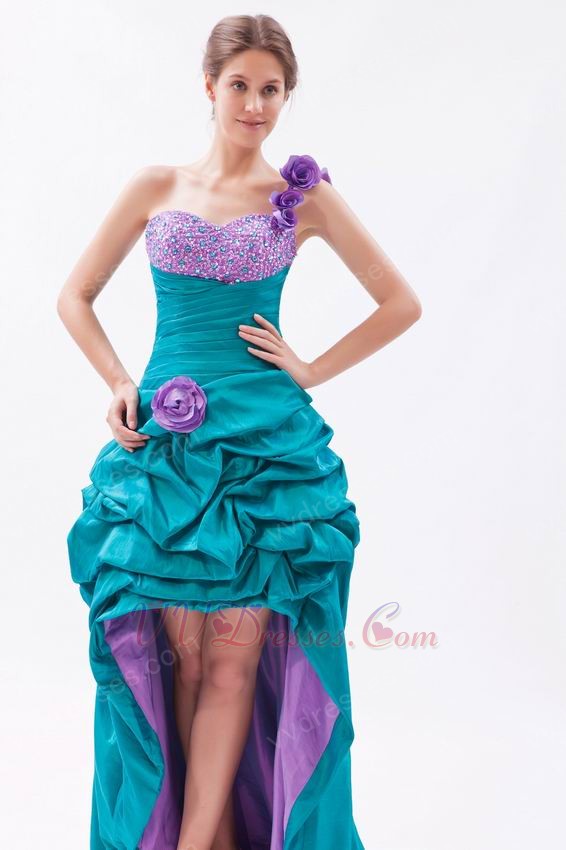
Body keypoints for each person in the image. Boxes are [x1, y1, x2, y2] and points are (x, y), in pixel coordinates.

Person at [57, 13, 422, 850]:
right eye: (240, 86)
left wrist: (311, 369)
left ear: (286, 97)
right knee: (178, 665)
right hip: (167, 453)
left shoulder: (303, 195)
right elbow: (74, 295)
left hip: (267, 458)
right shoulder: (156, 186)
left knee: (231, 663)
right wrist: (119, 381)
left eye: (272, 90)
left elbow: (399, 302)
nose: (255, 105)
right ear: (209, 86)